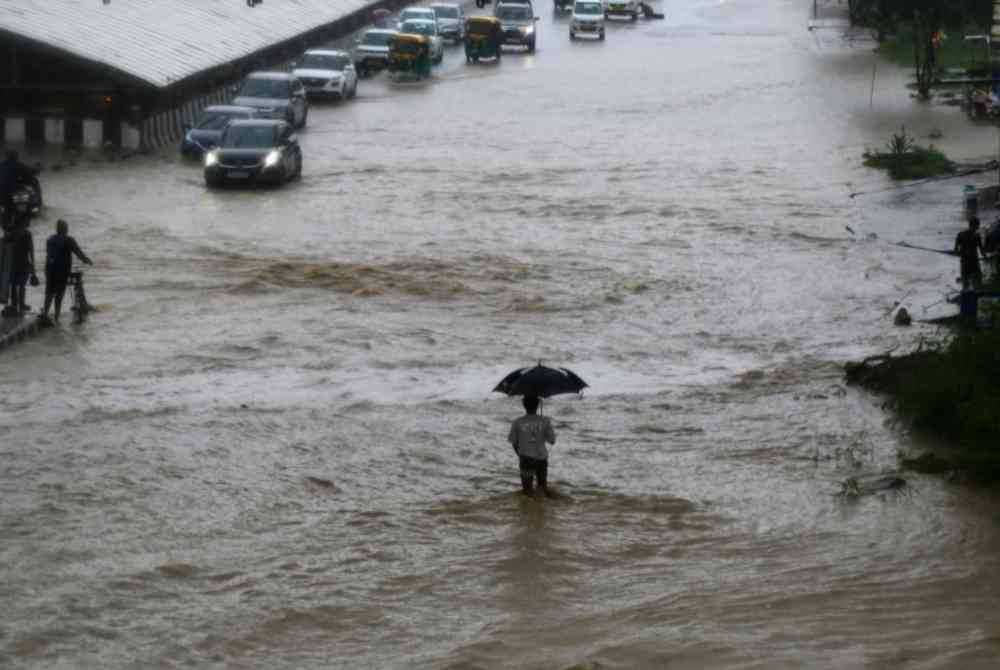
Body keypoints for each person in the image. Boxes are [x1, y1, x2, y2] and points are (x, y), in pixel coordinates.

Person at [41, 219, 92, 321]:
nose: (67, 229)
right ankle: (56, 317)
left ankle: (45, 314)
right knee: (59, 294)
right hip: (62, 271)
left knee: (49, 293)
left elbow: (49, 254)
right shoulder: (69, 240)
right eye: (66, 227)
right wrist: (87, 260)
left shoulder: (49, 239)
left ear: (57, 229)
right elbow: (78, 253)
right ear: (64, 229)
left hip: (49, 270)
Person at [508, 395, 556, 497]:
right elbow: (552, 441)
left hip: (525, 457)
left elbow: (513, 442)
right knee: (542, 488)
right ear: (538, 405)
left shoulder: (517, 422)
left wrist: (519, 454)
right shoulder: (545, 421)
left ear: (523, 405)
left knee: (527, 491)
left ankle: (529, 510)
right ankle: (543, 509)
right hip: (541, 458)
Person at [6, 219, 35, 315]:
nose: (28, 223)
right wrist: (33, 266)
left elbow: (6, 249)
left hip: (13, 264)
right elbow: (31, 250)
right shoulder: (27, 234)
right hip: (23, 263)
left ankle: (15, 305)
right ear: (23, 223)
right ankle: (21, 304)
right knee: (21, 285)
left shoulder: (11, 234)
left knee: (14, 285)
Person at [954, 217, 987, 291]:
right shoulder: (977, 236)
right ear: (975, 226)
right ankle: (977, 296)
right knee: (978, 282)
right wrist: (986, 258)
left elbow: (956, 251)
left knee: (966, 284)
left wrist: (960, 253)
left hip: (965, 262)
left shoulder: (960, 234)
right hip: (974, 263)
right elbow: (982, 251)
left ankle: (966, 296)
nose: (978, 227)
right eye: (977, 226)